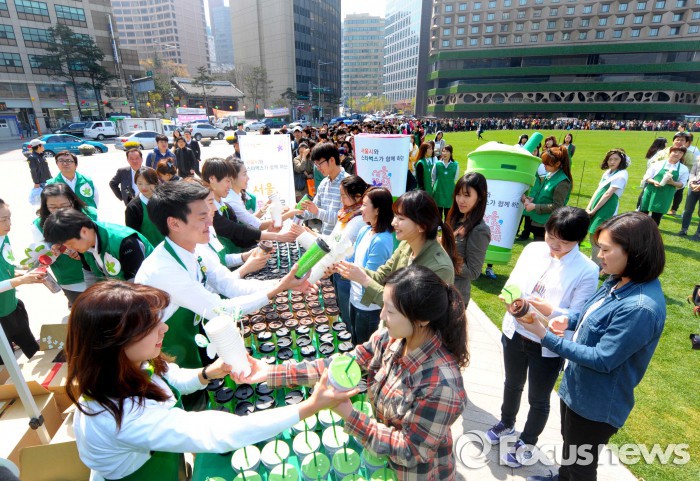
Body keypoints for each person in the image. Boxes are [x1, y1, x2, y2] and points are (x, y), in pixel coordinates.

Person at [68, 281, 352, 481]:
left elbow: (171, 377)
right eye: (151, 326)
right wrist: (308, 407)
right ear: (116, 342)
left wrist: (207, 373)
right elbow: (217, 431)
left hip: (161, 460)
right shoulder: (120, 417)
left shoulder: (128, 365)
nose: (164, 328)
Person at [239, 265, 468, 479]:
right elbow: (341, 365)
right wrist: (272, 372)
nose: (382, 316)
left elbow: (410, 451)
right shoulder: (390, 339)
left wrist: (349, 414)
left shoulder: (441, 385)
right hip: (381, 461)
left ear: (421, 320)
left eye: (390, 311)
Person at [524, 212, 666, 481]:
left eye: (605, 249)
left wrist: (544, 335)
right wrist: (569, 319)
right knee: (571, 448)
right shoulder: (617, 279)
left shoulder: (640, 308)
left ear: (634, 252)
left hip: (596, 402)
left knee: (582, 465)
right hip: (578, 388)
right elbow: (594, 313)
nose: (598, 255)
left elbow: (603, 358)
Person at [134, 181, 312, 372]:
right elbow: (221, 310)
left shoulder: (196, 249)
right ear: (174, 223)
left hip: (191, 334)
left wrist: (283, 283)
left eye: (209, 214)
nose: (210, 223)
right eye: (202, 217)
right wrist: (279, 287)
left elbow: (229, 285)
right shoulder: (163, 270)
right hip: (165, 348)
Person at [486, 207, 598, 469]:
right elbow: (513, 282)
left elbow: (578, 314)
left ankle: (527, 442)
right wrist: (510, 297)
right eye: (551, 236)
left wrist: (550, 310)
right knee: (512, 383)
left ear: (578, 240)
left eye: (564, 242)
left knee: (538, 397)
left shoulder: (587, 269)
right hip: (516, 331)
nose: (555, 245)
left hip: (547, 342)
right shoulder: (533, 249)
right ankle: (506, 422)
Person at [337, 189, 459, 307]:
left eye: (401, 218)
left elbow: (408, 309)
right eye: (395, 216)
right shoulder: (406, 245)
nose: (393, 222)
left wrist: (365, 280)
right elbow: (382, 276)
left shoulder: (440, 268)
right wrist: (345, 268)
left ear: (422, 226)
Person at [203, 158, 298, 255]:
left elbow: (240, 238)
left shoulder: (226, 207)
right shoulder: (208, 210)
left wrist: (269, 234)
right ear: (212, 179)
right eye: (227, 181)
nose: (230, 186)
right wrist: (275, 236)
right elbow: (238, 230)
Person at [31, 184, 98, 306]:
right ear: (45, 206)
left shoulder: (90, 214)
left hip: (97, 272)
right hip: (70, 278)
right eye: (52, 207)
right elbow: (43, 256)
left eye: (64, 206)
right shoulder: (38, 225)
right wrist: (54, 252)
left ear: (73, 201)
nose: (59, 211)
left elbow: (101, 240)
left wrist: (84, 250)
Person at [43, 209, 153, 282]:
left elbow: (137, 285)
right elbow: (90, 274)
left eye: (70, 244)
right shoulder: (84, 244)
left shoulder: (125, 242)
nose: (69, 248)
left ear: (84, 231)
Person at [345, 187, 394, 344]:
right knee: (355, 342)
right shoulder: (365, 230)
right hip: (354, 299)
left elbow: (371, 277)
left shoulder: (381, 240)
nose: (361, 209)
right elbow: (353, 260)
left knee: (365, 348)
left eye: (365, 205)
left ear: (377, 210)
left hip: (368, 308)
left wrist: (342, 268)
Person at [0, 199, 45, 365]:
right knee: (7, 364)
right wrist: (21, 280)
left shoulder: (3, 237)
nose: (9, 224)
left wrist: (25, 271)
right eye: (3, 220)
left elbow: (6, 268)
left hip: (12, 307)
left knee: (33, 349)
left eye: (9, 218)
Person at [446, 172, 491, 305]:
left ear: (480, 197)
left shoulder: (479, 230)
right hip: (439, 290)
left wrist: (445, 253)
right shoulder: (455, 218)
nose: (461, 200)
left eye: (467, 195)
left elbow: (473, 272)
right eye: (458, 194)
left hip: (454, 298)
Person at [520, 146, 573, 241]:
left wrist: (535, 206)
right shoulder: (549, 175)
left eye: (547, 164)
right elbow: (543, 195)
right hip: (539, 220)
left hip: (547, 223)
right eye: (543, 162)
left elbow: (557, 206)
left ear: (557, 164)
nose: (544, 165)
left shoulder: (562, 181)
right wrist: (531, 199)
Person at [586, 149, 629, 263]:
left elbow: (608, 194)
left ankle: (597, 263)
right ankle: (595, 260)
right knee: (593, 234)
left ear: (621, 161)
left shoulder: (621, 175)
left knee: (598, 236)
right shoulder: (608, 172)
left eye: (616, 159)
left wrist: (594, 210)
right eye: (610, 159)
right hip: (597, 204)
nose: (612, 162)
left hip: (606, 207)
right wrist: (589, 206)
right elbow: (598, 190)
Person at [298, 143, 348, 235]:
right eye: (316, 165)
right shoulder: (324, 183)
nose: (318, 168)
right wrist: (295, 212)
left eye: (319, 164)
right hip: (325, 238)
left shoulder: (347, 183)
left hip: (340, 240)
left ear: (332, 160)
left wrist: (317, 211)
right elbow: (313, 211)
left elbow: (344, 219)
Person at [639, 146, 689, 226]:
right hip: (651, 191)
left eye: (680, 152)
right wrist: (654, 181)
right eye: (675, 152)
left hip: (665, 194)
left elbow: (682, 184)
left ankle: (653, 232)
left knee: (656, 216)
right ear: (670, 152)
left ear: (683, 155)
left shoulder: (684, 169)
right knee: (643, 214)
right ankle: (639, 230)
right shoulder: (659, 164)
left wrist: (672, 182)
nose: (677, 154)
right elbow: (646, 177)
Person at [125, 167, 165, 248]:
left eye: (148, 183)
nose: (144, 187)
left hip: (169, 248)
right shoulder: (133, 208)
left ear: (156, 182)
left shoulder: (166, 200)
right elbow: (132, 236)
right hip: (149, 251)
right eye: (140, 184)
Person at [431, 145, 460, 220]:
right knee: (438, 213)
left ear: (451, 153)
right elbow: (433, 177)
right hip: (438, 192)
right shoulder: (437, 164)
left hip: (449, 192)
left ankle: (446, 225)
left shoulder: (455, 165)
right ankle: (439, 225)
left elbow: (455, 178)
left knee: (448, 213)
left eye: (447, 151)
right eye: (443, 151)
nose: (445, 153)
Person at [679, 148, 700, 240]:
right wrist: (691, 182)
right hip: (693, 187)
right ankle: (684, 229)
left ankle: (698, 233)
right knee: (688, 209)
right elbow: (692, 172)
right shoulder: (698, 158)